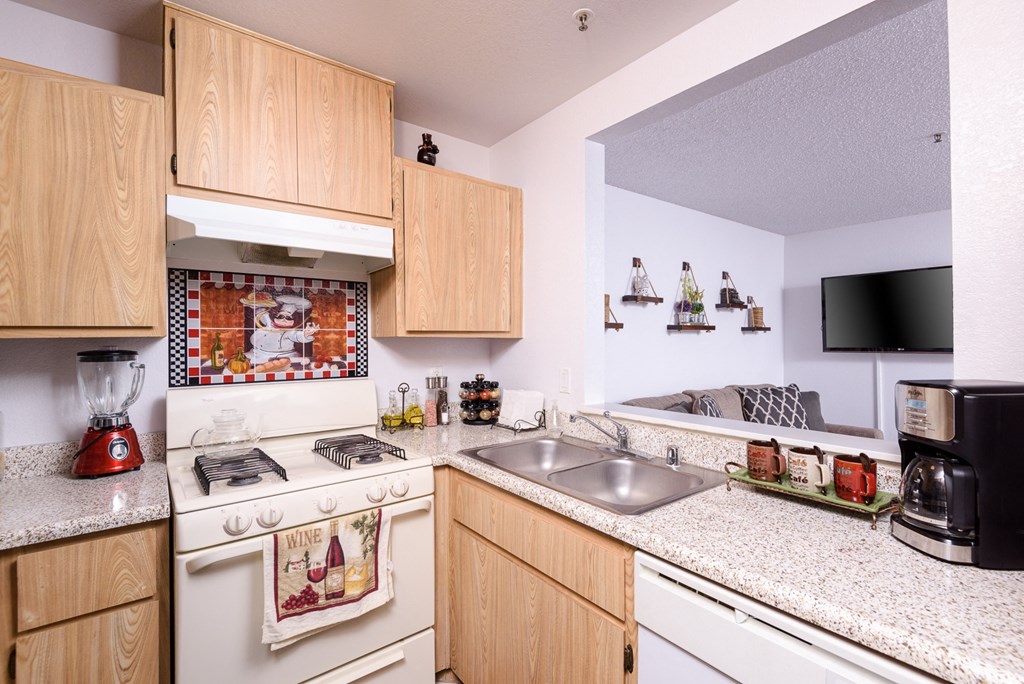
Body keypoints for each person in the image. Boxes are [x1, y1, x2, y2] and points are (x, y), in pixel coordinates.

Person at [246, 294, 320, 365]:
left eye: (288, 318)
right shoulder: (268, 321)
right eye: (281, 316)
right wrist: (256, 306)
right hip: (257, 353)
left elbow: (297, 336)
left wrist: (305, 333)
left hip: (280, 356)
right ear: (275, 316)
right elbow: (260, 312)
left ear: (294, 321)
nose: (284, 320)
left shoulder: (290, 332)